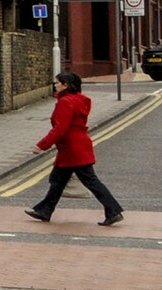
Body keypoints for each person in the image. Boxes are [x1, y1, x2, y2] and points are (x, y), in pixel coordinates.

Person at [26, 71, 125, 227]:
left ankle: (113, 211)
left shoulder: (65, 102)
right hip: (76, 146)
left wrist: (42, 145)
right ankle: (44, 210)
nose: (55, 85)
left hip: (72, 149)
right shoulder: (80, 100)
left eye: (58, 82)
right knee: (57, 180)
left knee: (91, 182)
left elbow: (60, 128)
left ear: (66, 85)